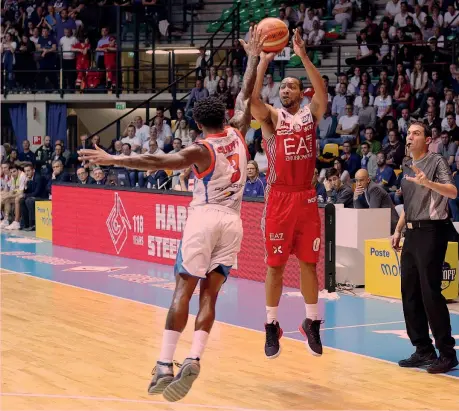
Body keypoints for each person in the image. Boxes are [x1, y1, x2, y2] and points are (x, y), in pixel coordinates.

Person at [78, 27, 265, 401]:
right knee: (210, 295)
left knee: (184, 289)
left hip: (205, 216)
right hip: (233, 221)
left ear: (198, 123)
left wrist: (114, 157)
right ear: (226, 118)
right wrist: (254, 58)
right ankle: (194, 357)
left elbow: (155, 161)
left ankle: (164, 364)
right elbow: (246, 95)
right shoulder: (240, 132)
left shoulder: (201, 149)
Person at [250, 29, 328, 359]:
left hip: (306, 197)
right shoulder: (271, 117)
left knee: (309, 264)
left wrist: (304, 57)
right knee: (275, 266)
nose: (286, 90)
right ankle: (271, 325)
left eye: (291, 86)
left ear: (300, 92)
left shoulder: (311, 114)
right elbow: (252, 102)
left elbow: (323, 95)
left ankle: (311, 322)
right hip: (280, 198)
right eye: (282, 87)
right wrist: (263, 62)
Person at [392, 121, 458, 374]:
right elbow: (409, 204)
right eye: (408, 133)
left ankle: (447, 354)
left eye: (416, 133)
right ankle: (423, 350)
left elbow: (452, 192)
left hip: (432, 231)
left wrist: (428, 183)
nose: (410, 137)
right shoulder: (406, 165)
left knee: (431, 293)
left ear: (427, 139)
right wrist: (398, 229)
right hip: (411, 231)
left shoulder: (436, 161)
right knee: (409, 293)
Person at [353, 169, 398, 233]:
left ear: (368, 180)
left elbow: (372, 212)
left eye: (361, 180)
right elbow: (360, 211)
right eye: (356, 181)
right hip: (381, 224)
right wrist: (355, 197)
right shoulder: (365, 189)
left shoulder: (374, 189)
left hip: (390, 227)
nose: (358, 184)